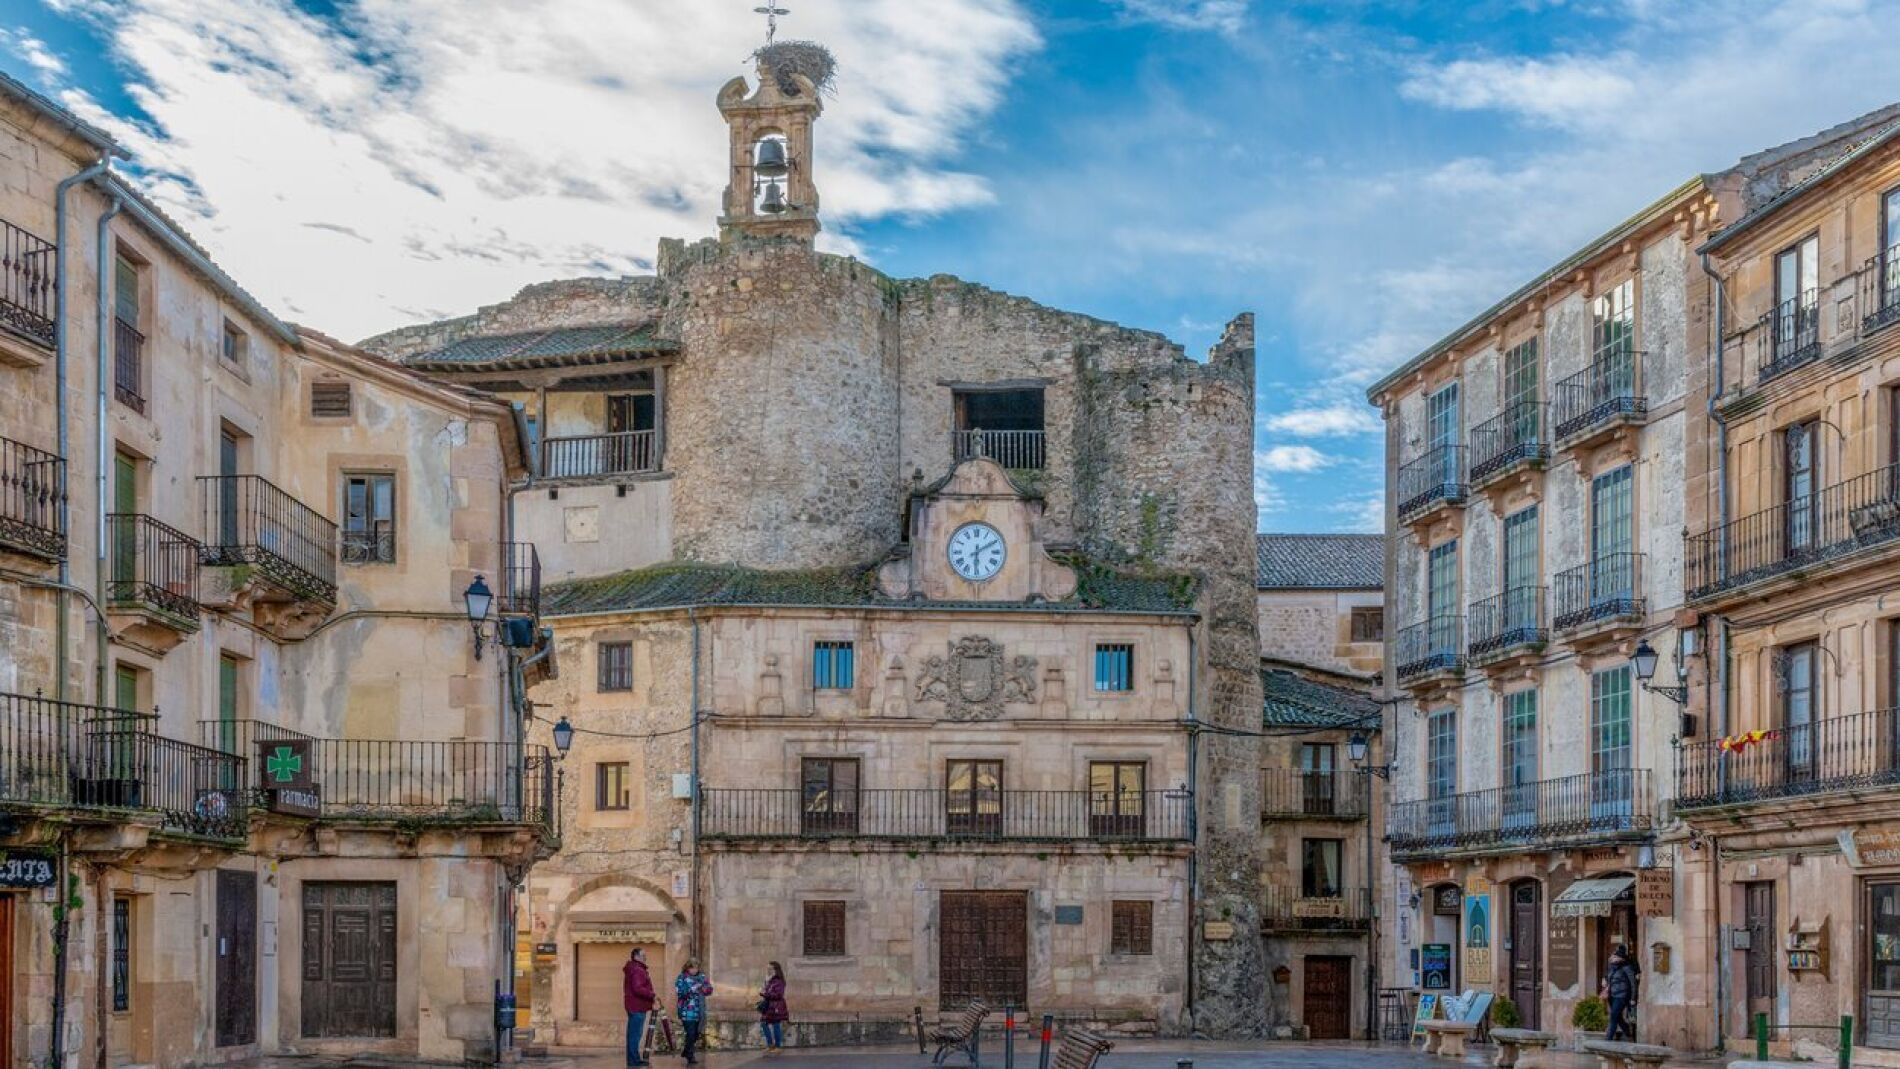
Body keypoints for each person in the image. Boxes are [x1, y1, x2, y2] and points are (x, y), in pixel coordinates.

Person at [1601, 943, 1642, 1041]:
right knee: (1617, 1016)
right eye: (1613, 956)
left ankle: (1608, 1040)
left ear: (1621, 958)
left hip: (1622, 996)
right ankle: (1628, 1032)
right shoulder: (1612, 967)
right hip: (1612, 995)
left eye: (1615, 956)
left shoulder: (1627, 968)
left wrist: (1633, 998)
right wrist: (1605, 979)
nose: (1613, 958)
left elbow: (1633, 984)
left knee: (1614, 1016)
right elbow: (1608, 977)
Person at [622, 948, 656, 1068]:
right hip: (637, 1006)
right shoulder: (637, 970)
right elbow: (638, 988)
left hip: (634, 1005)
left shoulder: (634, 968)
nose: (645, 957)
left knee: (634, 1035)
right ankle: (633, 1062)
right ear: (636, 956)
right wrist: (652, 994)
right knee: (635, 1035)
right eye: (643, 955)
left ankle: (634, 1060)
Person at [675, 959, 713, 1065]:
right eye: (692, 968)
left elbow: (710, 989)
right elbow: (681, 992)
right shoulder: (682, 978)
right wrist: (693, 988)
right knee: (690, 1033)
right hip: (686, 1011)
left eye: (696, 967)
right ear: (687, 968)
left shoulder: (702, 977)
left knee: (696, 1034)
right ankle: (690, 1055)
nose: (694, 970)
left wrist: (703, 989)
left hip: (699, 1011)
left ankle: (686, 1051)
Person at [758, 961, 789, 1053]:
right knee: (764, 1023)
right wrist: (763, 991)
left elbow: (778, 995)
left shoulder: (779, 981)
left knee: (776, 1025)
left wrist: (765, 993)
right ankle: (770, 1045)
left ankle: (778, 1047)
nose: (768, 970)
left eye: (770, 969)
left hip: (776, 1007)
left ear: (776, 970)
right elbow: (767, 992)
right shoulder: (769, 980)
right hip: (769, 1006)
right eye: (767, 969)